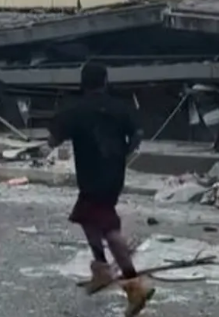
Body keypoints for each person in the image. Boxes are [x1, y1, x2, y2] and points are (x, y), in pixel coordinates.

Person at [48, 62, 153, 317]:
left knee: (108, 228)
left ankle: (134, 284)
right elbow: (137, 133)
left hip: (91, 177)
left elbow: (53, 138)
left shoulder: (76, 110)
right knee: (86, 218)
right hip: (114, 176)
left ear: (83, 83)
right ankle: (101, 270)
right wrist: (123, 155)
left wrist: (50, 140)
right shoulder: (120, 107)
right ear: (105, 81)